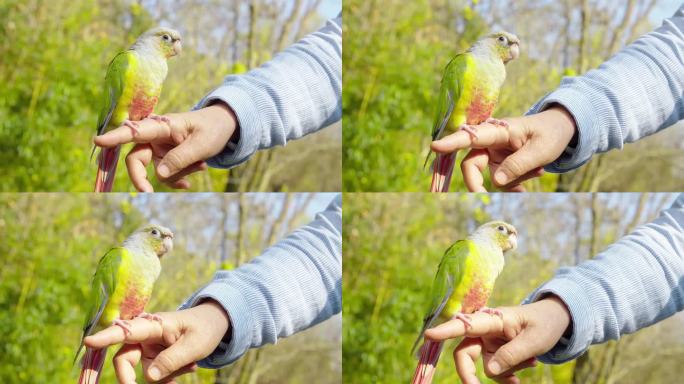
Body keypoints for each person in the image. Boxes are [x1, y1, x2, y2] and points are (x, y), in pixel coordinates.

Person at [424, 193, 684, 384]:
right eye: (503, 230)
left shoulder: (495, 261)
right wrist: (563, 308)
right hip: (448, 313)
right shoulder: (465, 250)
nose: (511, 238)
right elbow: (671, 248)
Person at [84, 194, 341, 383]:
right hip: (105, 322)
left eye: (167, 237)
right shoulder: (120, 257)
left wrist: (225, 314)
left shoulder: (153, 267)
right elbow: (324, 252)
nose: (165, 240)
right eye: (156, 234)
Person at [431, 5, 684, 192]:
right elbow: (671, 58)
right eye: (503, 41)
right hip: (454, 126)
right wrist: (568, 118)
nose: (511, 47)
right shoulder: (465, 63)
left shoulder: (499, 72)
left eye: (513, 43)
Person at [94, 15, 342, 192]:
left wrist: (234, 116)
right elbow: (329, 56)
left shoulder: (160, 69)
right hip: (117, 121)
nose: (176, 46)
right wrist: (231, 113)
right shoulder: (127, 61)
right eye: (168, 39)